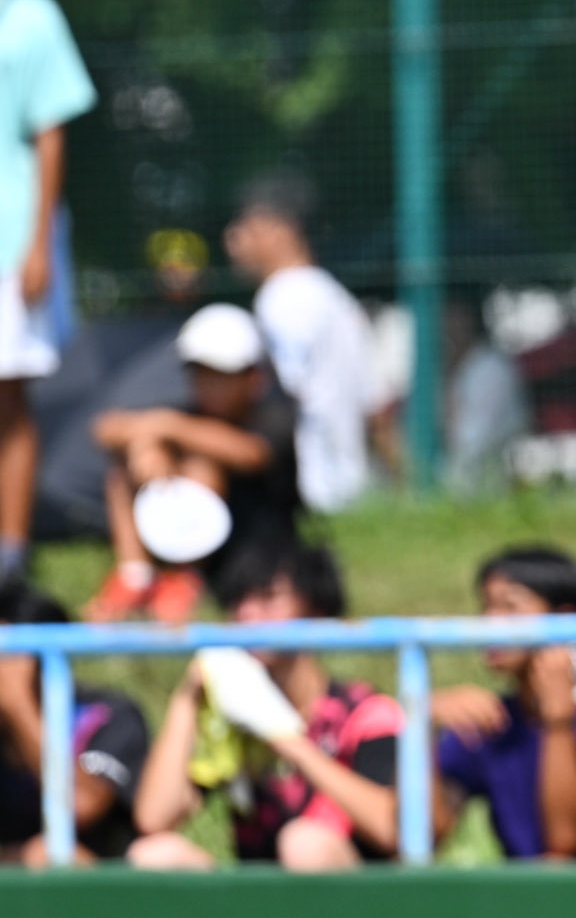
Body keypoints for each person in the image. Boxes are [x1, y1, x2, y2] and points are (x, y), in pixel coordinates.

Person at [128, 539, 402, 870]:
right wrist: (187, 699)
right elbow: (154, 819)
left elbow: (391, 829)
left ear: (316, 611)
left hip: (353, 893)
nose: (248, 614)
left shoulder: (366, 713)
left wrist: (284, 738)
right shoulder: (231, 714)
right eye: (238, 601)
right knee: (155, 854)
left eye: (268, 598)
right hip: (256, 894)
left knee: (305, 844)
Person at [431, 545, 576, 861]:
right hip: (530, 890)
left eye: (510, 608)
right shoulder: (491, 721)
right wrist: (422, 728)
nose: (491, 622)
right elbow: (423, 835)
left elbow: (565, 842)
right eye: (487, 606)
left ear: (565, 619)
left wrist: (559, 721)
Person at [84, 304, 301, 624]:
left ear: (254, 379)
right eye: (201, 374)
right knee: (122, 470)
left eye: (221, 376)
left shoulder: (273, 418)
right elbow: (106, 429)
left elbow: (249, 454)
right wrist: (147, 449)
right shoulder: (183, 415)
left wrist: (168, 428)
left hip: (257, 554)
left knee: (202, 467)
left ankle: (184, 577)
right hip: (183, 547)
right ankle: (134, 576)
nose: (209, 385)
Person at [0, 0, 98, 587]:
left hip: (9, 238)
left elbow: (50, 136)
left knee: (8, 399)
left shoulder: (31, 16)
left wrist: (39, 245)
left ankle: (10, 549)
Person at [224, 171, 384, 510]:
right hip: (350, 490)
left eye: (248, 227)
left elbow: (279, 397)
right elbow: (377, 410)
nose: (233, 239)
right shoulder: (334, 295)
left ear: (283, 230)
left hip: (306, 492)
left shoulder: (284, 299)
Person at [0, 581, 148, 863]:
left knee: (49, 854)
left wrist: (18, 702)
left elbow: (81, 804)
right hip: (14, 875)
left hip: (98, 879)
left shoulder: (108, 715)